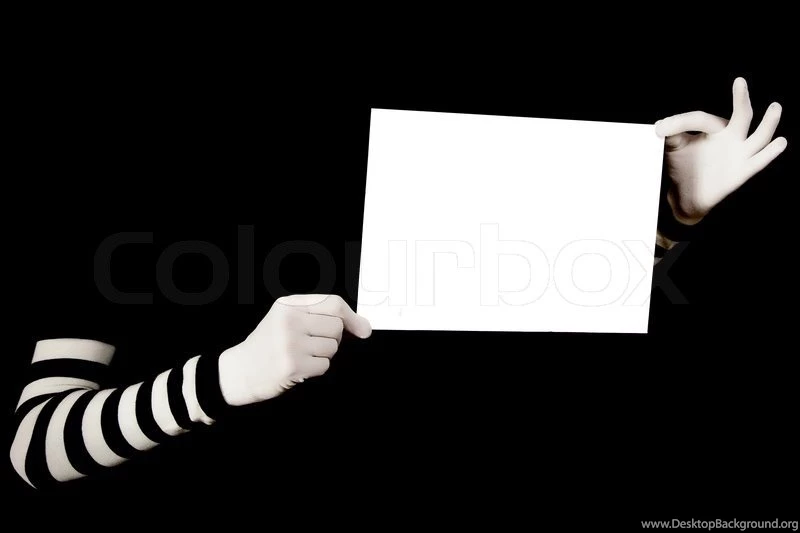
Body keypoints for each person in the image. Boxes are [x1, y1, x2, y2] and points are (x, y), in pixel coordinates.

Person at [9, 77, 787, 490]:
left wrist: (667, 215)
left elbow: (542, 293)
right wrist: (224, 377)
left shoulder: (421, 121)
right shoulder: (111, 160)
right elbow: (35, 446)